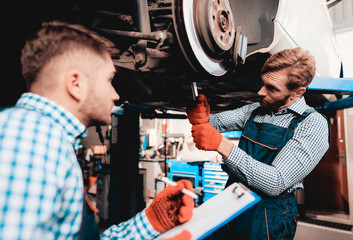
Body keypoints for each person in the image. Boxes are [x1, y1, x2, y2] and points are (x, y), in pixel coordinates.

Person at [0, 20, 194, 240]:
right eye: (109, 80)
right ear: (76, 84)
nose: (116, 95)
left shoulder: (39, 135)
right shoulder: (33, 139)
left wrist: (150, 222)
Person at [186, 47, 330, 240]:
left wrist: (223, 146)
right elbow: (216, 123)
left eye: (272, 88)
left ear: (297, 93)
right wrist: (201, 116)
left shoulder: (312, 124)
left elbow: (276, 181)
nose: (260, 92)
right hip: (233, 198)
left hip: (268, 213)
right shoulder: (256, 110)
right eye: (262, 84)